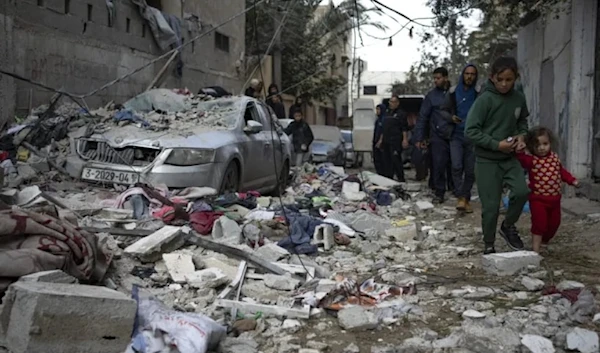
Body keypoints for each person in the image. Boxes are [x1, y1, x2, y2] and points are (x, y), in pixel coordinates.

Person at [465, 56, 530, 254]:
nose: (504, 84)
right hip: (487, 161)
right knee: (491, 207)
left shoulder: (519, 98)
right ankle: (489, 244)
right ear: (492, 77)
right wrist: (496, 144)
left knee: (521, 191)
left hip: (509, 158)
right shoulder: (485, 99)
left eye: (509, 80)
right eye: (500, 79)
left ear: (515, 78)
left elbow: (522, 122)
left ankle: (508, 226)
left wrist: (521, 137)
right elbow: (470, 131)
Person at [516, 127, 579, 253]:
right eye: (537, 145)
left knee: (554, 224)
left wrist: (572, 180)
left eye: (545, 144)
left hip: (555, 200)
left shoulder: (554, 158)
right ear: (531, 147)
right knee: (539, 224)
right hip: (538, 200)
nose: (541, 148)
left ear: (550, 143)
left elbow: (561, 172)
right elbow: (521, 159)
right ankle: (535, 250)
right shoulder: (532, 160)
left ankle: (544, 241)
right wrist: (519, 150)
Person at [441, 64, 479, 212]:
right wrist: (451, 118)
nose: (469, 77)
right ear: (463, 74)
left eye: (472, 74)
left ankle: (465, 197)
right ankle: (461, 197)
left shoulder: (478, 93)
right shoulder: (452, 92)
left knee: (470, 170)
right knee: (456, 166)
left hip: (473, 136)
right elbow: (442, 110)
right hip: (455, 135)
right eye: (467, 73)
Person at [414, 67, 453, 204]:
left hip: (454, 134)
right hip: (437, 136)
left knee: (456, 164)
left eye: (438, 78)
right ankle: (439, 192)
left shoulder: (454, 93)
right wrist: (419, 137)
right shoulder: (431, 96)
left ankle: (456, 190)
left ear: (446, 78)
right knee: (438, 164)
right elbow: (423, 117)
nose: (436, 81)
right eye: (434, 78)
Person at [380, 95, 408, 182]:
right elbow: (383, 128)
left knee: (395, 159)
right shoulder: (387, 113)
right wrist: (381, 139)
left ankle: (401, 178)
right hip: (386, 140)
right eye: (390, 102)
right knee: (386, 160)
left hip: (395, 141)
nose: (391, 104)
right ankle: (389, 178)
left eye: (393, 102)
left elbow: (404, 128)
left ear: (397, 103)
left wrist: (405, 139)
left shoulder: (401, 114)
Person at [372, 104, 386, 175]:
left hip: (381, 143)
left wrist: (380, 140)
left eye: (378, 110)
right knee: (376, 159)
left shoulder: (384, 119)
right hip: (375, 141)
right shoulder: (378, 120)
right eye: (376, 109)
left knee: (381, 160)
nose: (377, 111)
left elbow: (383, 131)